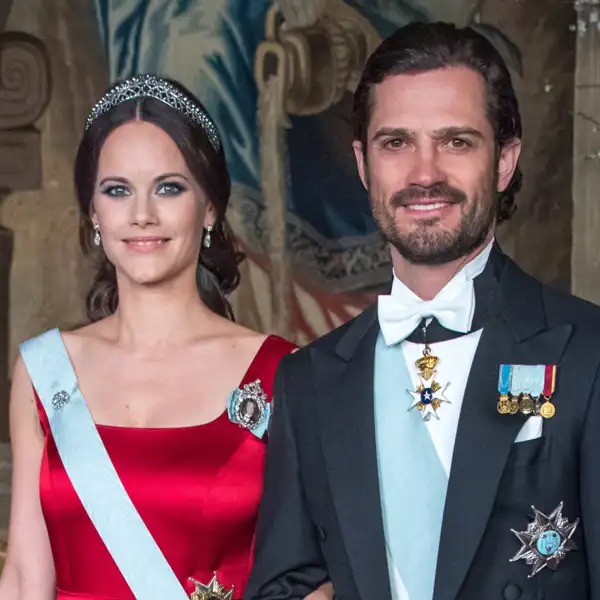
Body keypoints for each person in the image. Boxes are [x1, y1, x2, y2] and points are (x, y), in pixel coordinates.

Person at [245, 22, 600, 600]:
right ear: (363, 164)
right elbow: (283, 587)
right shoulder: (308, 380)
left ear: (504, 161)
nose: (424, 173)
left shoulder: (588, 352)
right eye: (396, 143)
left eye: (456, 141)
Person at [0, 74, 333, 600]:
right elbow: (23, 576)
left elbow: (312, 582)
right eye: (117, 190)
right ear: (93, 211)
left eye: (169, 187)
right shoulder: (43, 372)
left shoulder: (284, 373)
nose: (141, 215)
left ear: (210, 208)